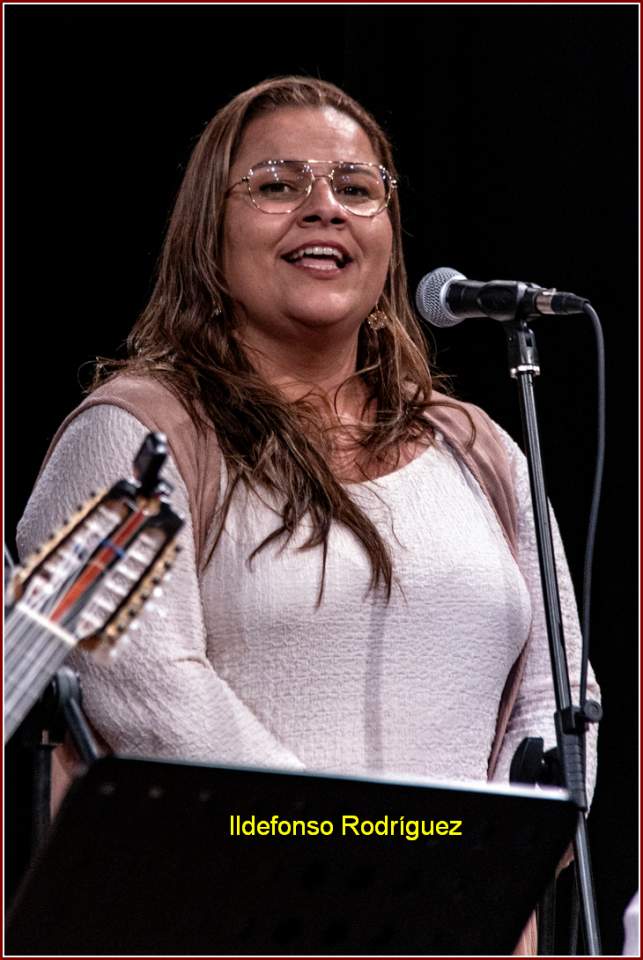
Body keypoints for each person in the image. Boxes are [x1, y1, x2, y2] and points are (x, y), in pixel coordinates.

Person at [17, 76, 599, 953]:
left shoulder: (479, 449)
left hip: (462, 925)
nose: (323, 207)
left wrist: (488, 871)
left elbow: (560, 700)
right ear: (208, 232)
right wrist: (362, 868)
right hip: (239, 923)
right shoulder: (133, 436)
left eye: (356, 187)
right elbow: (151, 698)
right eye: (277, 184)